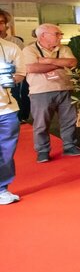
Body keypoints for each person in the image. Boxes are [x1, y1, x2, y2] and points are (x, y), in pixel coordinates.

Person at [23, 24, 80, 162]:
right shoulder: (29, 50)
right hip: (40, 91)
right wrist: (60, 64)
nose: (60, 37)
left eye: (60, 34)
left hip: (65, 88)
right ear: (43, 35)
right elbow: (32, 68)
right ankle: (42, 151)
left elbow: (72, 62)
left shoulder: (64, 48)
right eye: (57, 34)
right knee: (41, 124)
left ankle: (70, 146)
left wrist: (47, 61)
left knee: (69, 120)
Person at [0, 24, 26, 205]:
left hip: (7, 109)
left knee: (5, 152)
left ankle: (2, 189)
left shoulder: (11, 48)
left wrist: (9, 78)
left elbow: (21, 74)